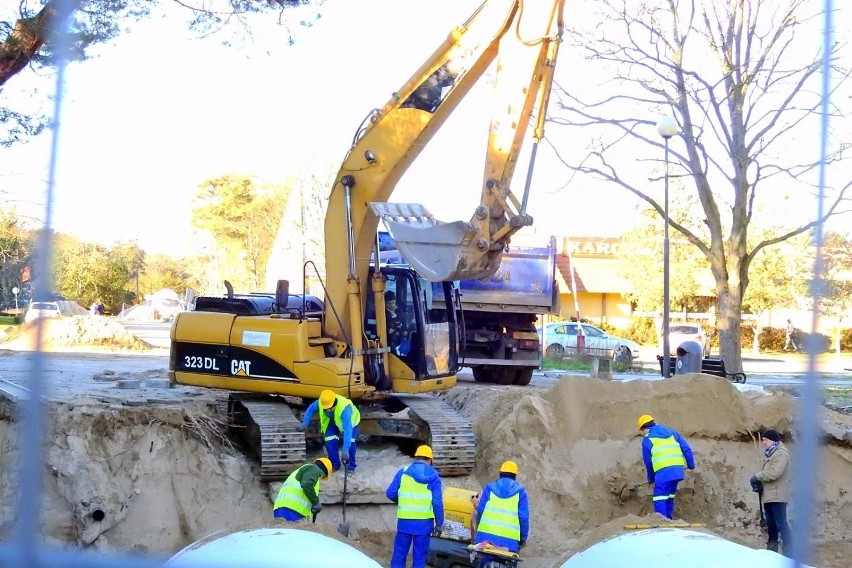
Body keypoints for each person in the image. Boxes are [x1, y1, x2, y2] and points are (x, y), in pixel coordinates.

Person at [385, 445, 444, 568]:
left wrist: (401, 501)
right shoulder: (434, 477)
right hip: (424, 525)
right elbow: (437, 503)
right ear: (430, 460)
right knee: (419, 557)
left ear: (416, 458)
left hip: (404, 522)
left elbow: (390, 493)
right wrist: (439, 524)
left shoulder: (403, 472)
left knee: (399, 555)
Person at [637, 414, 696, 519]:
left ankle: (662, 523)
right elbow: (686, 448)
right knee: (669, 496)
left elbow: (648, 462)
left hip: (663, 472)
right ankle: (668, 520)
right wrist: (691, 464)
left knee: (659, 497)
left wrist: (651, 479)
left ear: (644, 429)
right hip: (677, 471)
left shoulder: (648, 440)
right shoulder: (672, 433)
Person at [473, 460, 530, 560]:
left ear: (500, 474)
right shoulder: (520, 493)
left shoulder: (490, 488)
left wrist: (478, 527)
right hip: (509, 544)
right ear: (515, 476)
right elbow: (523, 518)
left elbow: (481, 510)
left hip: (485, 539)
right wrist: (523, 539)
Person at [750, 429, 792, 555]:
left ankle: (789, 549)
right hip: (770, 495)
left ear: (773, 440)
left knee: (781, 523)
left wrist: (757, 476)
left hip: (778, 495)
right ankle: (772, 551)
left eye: (765, 440)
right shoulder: (772, 454)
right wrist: (760, 484)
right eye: (763, 440)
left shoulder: (781, 454)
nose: (763, 443)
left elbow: (774, 473)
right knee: (771, 523)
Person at [299, 390, 360, 472]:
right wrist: (305, 423)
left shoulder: (345, 409)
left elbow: (348, 430)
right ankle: (335, 465)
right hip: (333, 421)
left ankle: (350, 467)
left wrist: (345, 449)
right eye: (326, 409)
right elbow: (311, 409)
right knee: (330, 441)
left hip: (351, 424)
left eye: (330, 408)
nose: (328, 410)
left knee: (350, 443)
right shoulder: (321, 402)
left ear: (334, 403)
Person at [272, 457, 332, 522]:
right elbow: (306, 484)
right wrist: (315, 502)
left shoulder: (303, 470)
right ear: (324, 472)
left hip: (280, 509)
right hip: (293, 510)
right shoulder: (314, 469)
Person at [385, 290, 409, 355]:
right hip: (390, 341)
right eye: (389, 303)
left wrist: (404, 331)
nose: (392, 305)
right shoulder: (384, 314)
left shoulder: (399, 312)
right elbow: (387, 330)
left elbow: (405, 326)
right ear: (385, 303)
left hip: (401, 339)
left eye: (393, 303)